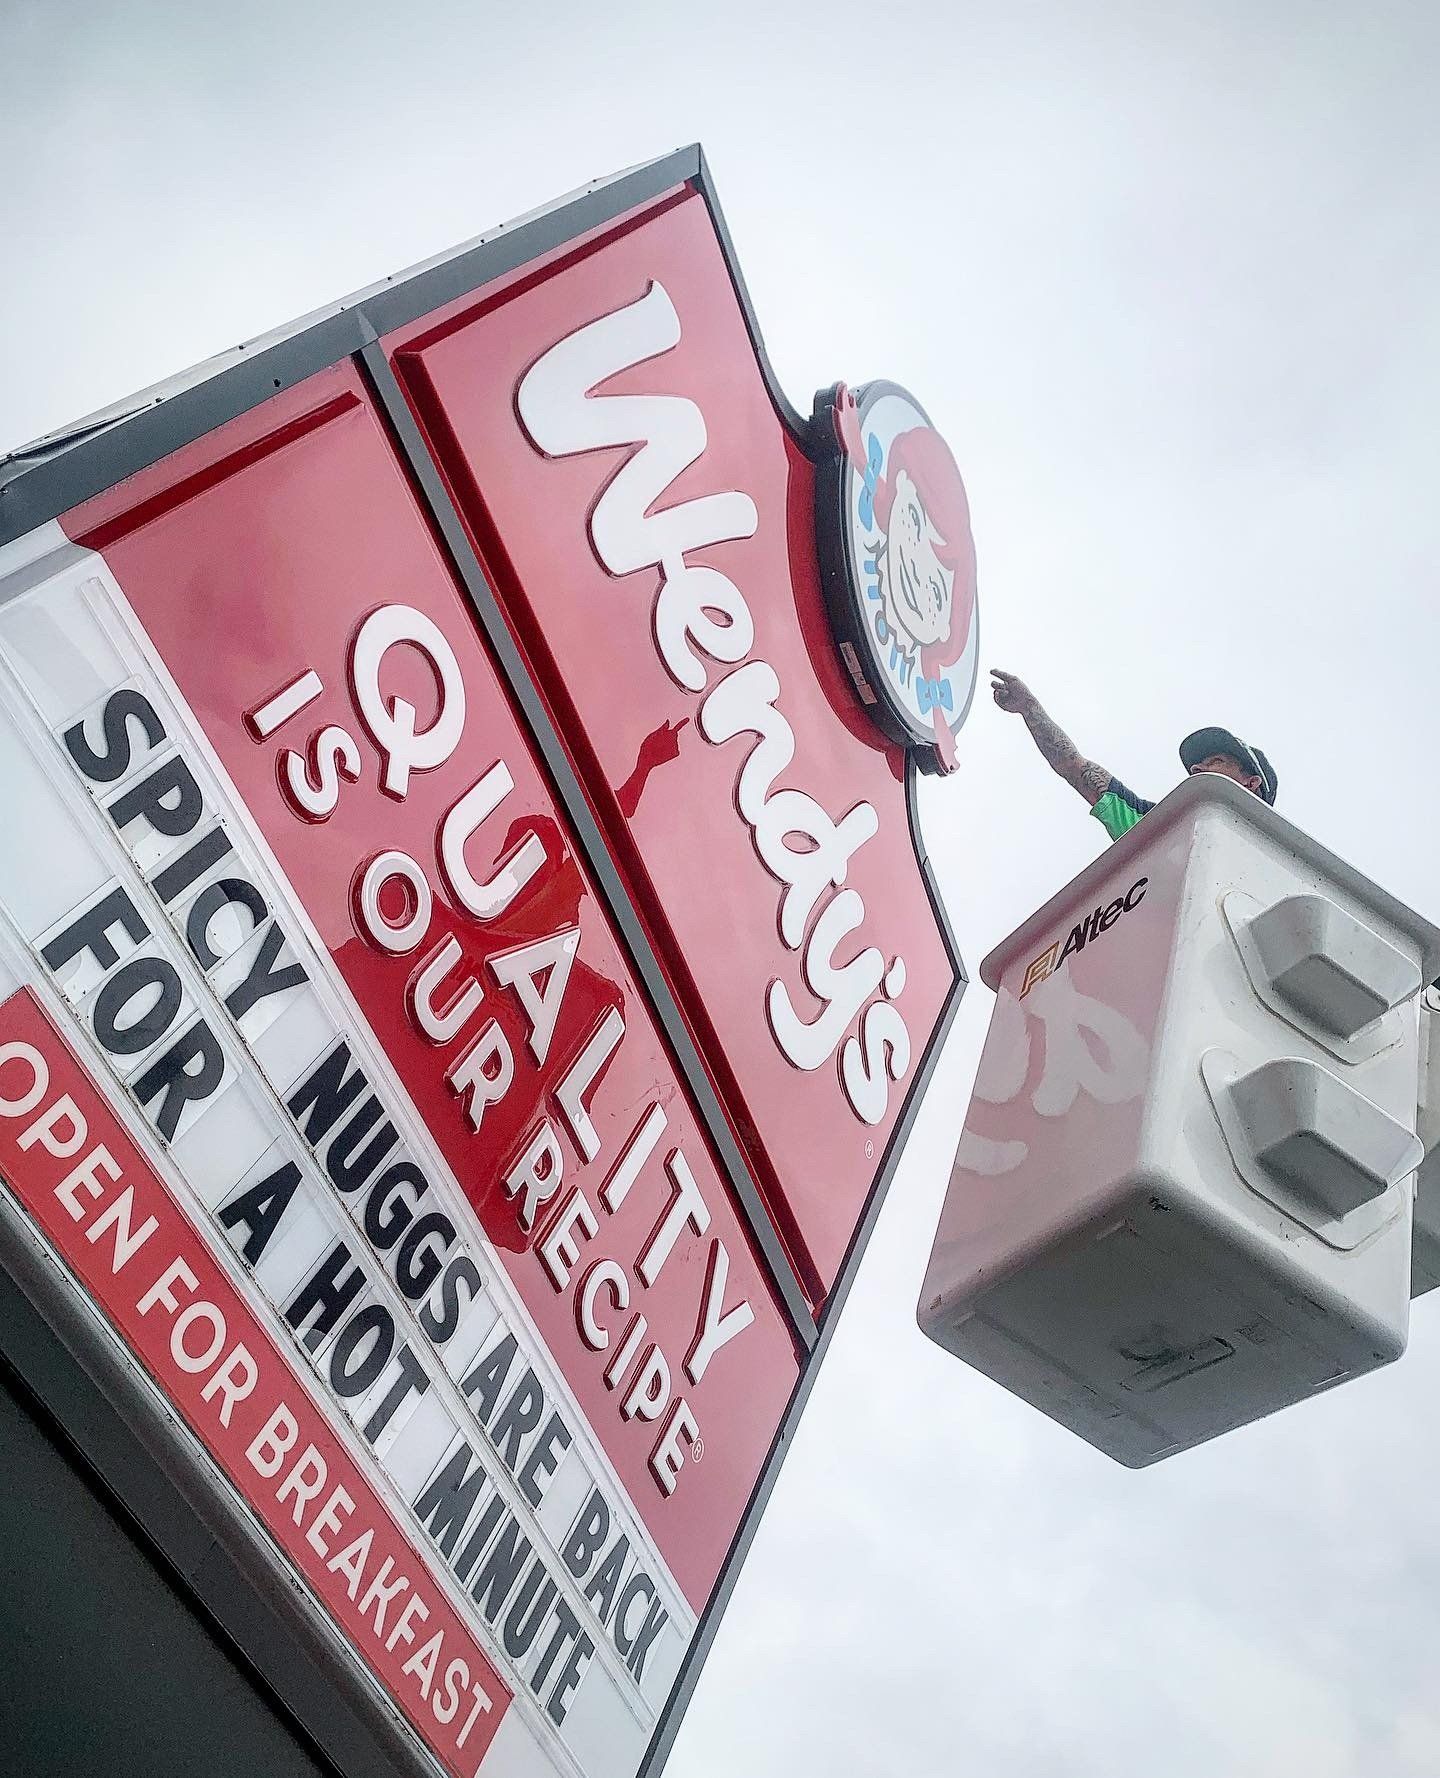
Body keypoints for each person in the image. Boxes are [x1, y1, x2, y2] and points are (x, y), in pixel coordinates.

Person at [989, 670, 1277, 843]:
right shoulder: (1155, 825)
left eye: (1217, 761)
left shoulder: (1279, 860)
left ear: (1251, 783)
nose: (1196, 767)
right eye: (1196, 765)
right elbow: (1074, 767)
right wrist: (1030, 709)